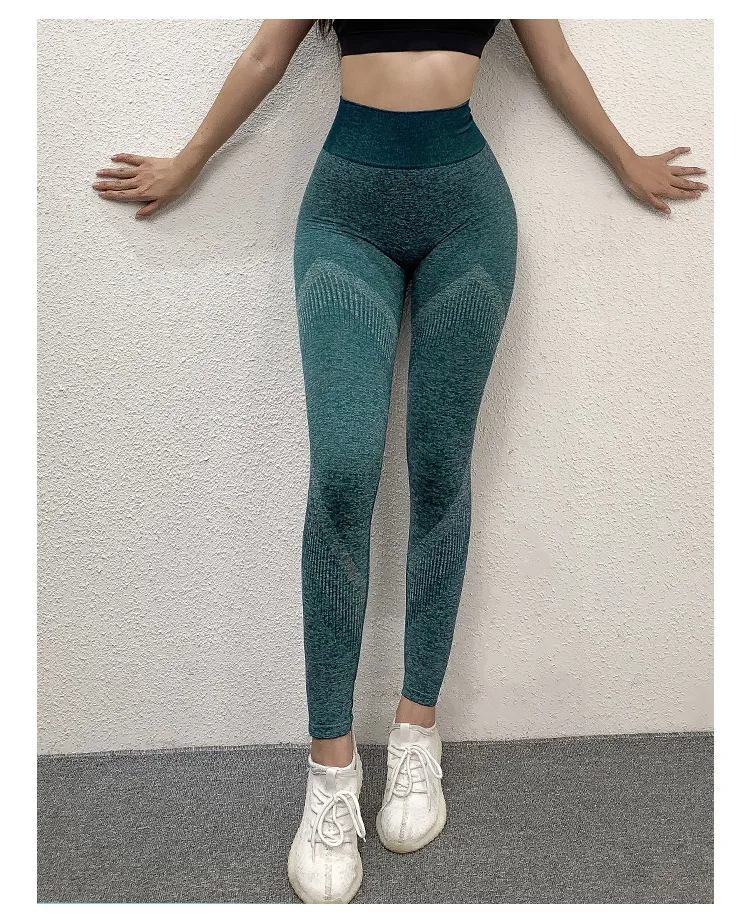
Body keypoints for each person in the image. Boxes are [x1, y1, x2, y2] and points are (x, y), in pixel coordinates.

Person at [92, 19, 708, 904]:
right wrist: (189, 161)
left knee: (441, 466)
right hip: (346, 213)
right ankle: (330, 772)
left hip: (469, 216)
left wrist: (624, 158)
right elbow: (265, 54)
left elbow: (556, 60)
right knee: (343, 471)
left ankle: (417, 731)